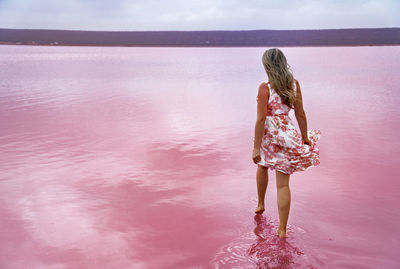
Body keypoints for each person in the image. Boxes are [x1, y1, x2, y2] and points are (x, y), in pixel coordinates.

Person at [252, 48, 321, 238]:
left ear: (267, 65)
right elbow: (300, 113)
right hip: (286, 133)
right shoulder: (294, 85)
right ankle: (282, 229)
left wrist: (256, 146)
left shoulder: (265, 87)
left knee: (262, 164)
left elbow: (260, 119)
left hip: (269, 133)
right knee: (283, 185)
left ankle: (260, 203)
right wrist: (304, 137)